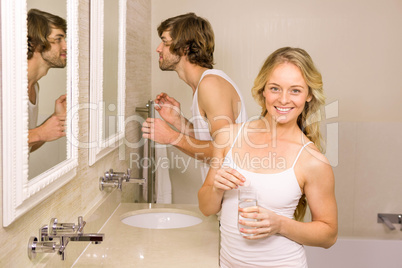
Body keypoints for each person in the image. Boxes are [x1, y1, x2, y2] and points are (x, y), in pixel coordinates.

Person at [198, 47, 338, 267]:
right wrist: (216, 188)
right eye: (275, 88)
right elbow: (206, 208)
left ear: (309, 94)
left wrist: (279, 225)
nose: (283, 100)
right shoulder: (228, 137)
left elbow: (328, 235)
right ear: (263, 90)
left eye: (295, 90)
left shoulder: (312, 160)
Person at [141, 13, 248, 182]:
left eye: (165, 42)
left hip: (237, 202)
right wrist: (178, 121)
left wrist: (172, 137)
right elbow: (211, 140)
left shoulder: (210, 84)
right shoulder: (202, 85)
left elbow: (226, 151)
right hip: (223, 197)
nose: (158, 48)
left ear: (185, 47)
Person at [27, 9, 67, 152]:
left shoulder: (34, 88)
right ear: (37, 42)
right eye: (58, 39)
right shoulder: (5, 85)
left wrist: (56, 118)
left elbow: (25, 147)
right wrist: (40, 132)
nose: (66, 46)